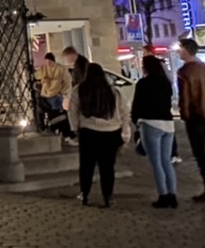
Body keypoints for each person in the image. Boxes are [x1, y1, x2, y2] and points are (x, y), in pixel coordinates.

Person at [68, 62, 130, 207]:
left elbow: (73, 111)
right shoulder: (113, 92)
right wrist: (124, 133)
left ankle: (85, 194)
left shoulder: (79, 90)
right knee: (107, 167)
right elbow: (123, 113)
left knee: (86, 166)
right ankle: (108, 196)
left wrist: (75, 127)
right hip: (111, 132)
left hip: (88, 131)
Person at [130, 54, 177, 208]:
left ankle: (163, 195)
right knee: (166, 161)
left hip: (150, 123)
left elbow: (137, 106)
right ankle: (172, 194)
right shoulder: (166, 83)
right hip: (168, 124)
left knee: (156, 162)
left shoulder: (143, 84)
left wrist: (136, 121)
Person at [176, 37, 205, 202]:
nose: (178, 51)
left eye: (180, 49)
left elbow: (185, 98)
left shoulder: (184, 72)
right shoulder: (203, 68)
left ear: (186, 50)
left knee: (200, 153)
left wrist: (184, 115)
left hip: (195, 118)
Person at [37, 53, 72, 135]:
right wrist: (42, 79)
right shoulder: (44, 68)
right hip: (46, 95)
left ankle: (59, 130)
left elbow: (67, 82)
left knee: (58, 113)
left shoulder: (61, 69)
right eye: (47, 63)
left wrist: (62, 91)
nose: (48, 65)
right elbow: (38, 76)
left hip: (56, 95)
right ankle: (54, 129)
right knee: (51, 113)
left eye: (50, 62)